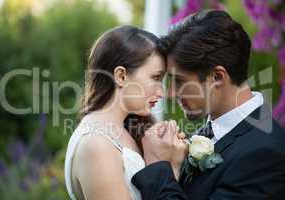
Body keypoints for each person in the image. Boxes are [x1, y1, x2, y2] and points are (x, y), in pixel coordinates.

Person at [131, 10, 285, 200]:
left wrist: (158, 166)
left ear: (217, 77)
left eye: (179, 80)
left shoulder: (264, 154)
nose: (170, 93)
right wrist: (174, 168)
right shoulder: (213, 131)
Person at [64, 25, 187, 200]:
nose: (162, 92)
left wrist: (171, 160)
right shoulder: (96, 146)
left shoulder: (131, 129)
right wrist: (168, 166)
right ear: (121, 76)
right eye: (156, 78)